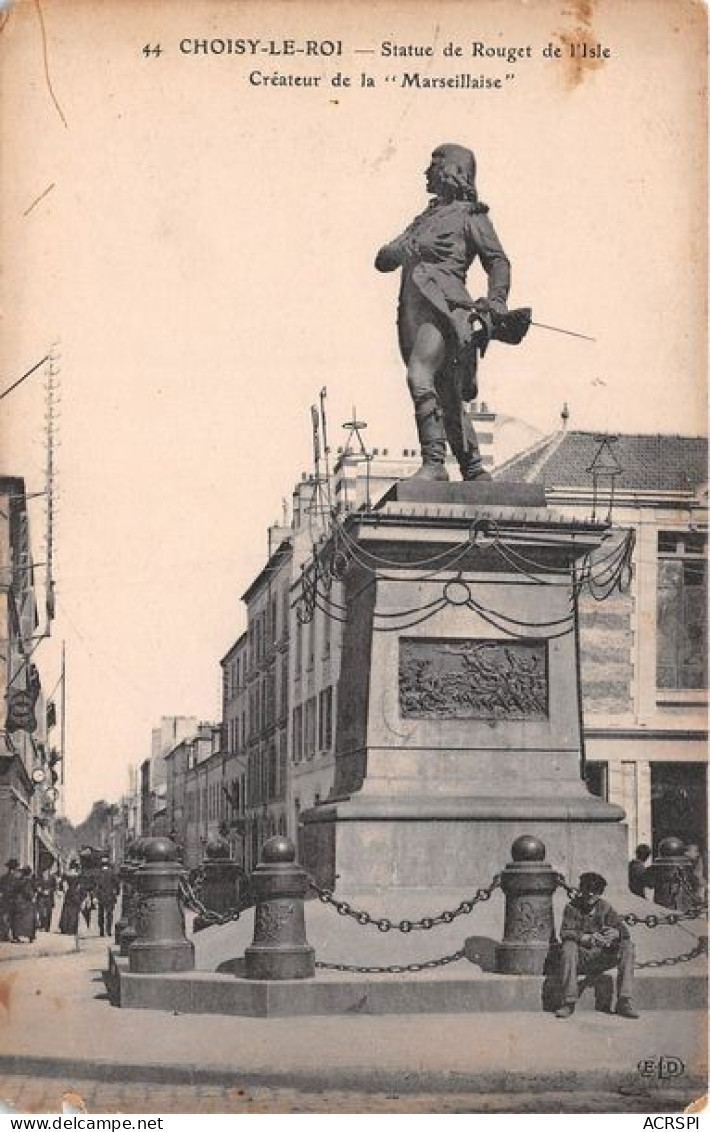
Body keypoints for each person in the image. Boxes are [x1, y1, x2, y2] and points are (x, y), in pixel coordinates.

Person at [375, 143, 511, 482]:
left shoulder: (471, 215)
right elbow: (382, 258)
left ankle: (434, 463)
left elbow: (497, 261)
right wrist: (413, 247)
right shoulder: (423, 220)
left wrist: (496, 301)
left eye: (432, 165)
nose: (426, 172)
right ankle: (474, 468)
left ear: (451, 171)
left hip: (445, 308)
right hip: (412, 310)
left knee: (420, 376)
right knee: (446, 391)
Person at [556, 871, 639, 1020]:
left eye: (596, 891)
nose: (591, 894)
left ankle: (624, 1001)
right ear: (581, 890)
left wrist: (616, 933)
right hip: (581, 957)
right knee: (568, 947)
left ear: (600, 893)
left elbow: (624, 932)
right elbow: (565, 933)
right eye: (587, 889)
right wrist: (583, 938)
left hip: (601, 956)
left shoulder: (605, 908)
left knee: (628, 946)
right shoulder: (572, 907)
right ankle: (568, 1002)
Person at [11, 866, 37, 943]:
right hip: (26, 902)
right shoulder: (28, 881)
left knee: (17, 919)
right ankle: (30, 936)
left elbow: (14, 890)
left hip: (18, 901)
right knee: (30, 919)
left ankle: (16, 935)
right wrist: (32, 896)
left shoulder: (18, 881)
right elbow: (28, 892)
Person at [59, 863, 85, 935]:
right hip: (76, 895)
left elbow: (62, 885)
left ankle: (65, 928)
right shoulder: (78, 876)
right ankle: (72, 929)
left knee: (67, 911)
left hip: (69, 894)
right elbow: (81, 886)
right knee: (74, 912)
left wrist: (65, 890)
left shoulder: (66, 875)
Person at [96, 861, 119, 938]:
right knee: (109, 914)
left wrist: (96, 896)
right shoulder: (112, 873)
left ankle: (101, 931)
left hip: (101, 897)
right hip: (110, 897)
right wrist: (117, 892)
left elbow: (96, 886)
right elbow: (117, 884)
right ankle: (108, 931)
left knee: (101, 914)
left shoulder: (99, 874)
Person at [0, 859, 20, 942]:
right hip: (13, 900)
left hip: (4, 900)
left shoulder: (3, 878)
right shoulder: (16, 879)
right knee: (14, 918)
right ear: (14, 869)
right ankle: (14, 936)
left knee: (5, 918)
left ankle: (5, 935)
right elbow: (18, 890)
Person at [35, 868, 58, 932]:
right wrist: (41, 891)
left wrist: (50, 891)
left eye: (46, 872)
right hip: (41, 897)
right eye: (44, 872)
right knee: (41, 911)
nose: (45, 873)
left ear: (48, 871)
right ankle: (42, 925)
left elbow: (55, 887)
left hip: (49, 897)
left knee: (48, 912)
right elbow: (37, 886)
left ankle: (47, 927)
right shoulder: (39, 878)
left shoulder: (52, 878)